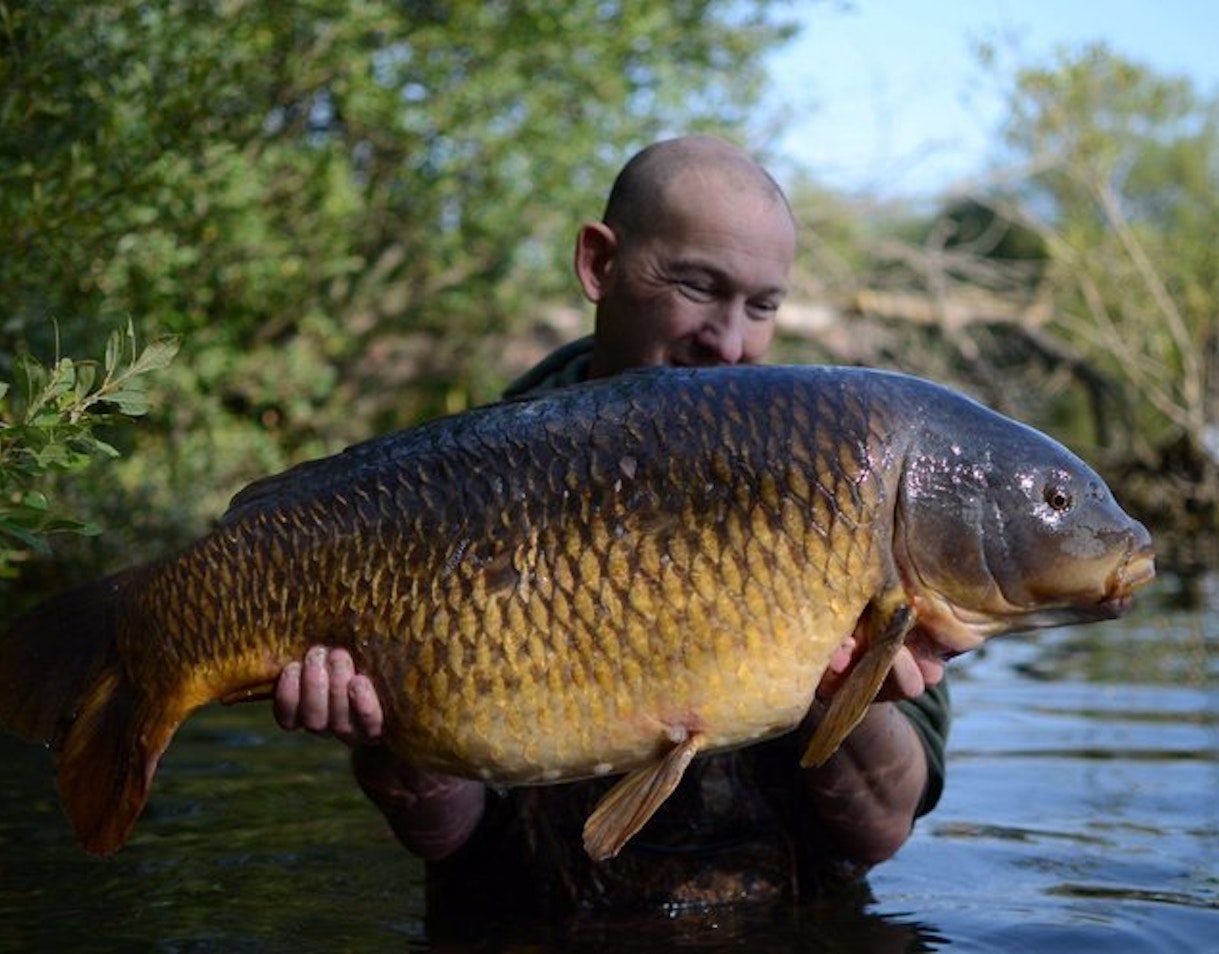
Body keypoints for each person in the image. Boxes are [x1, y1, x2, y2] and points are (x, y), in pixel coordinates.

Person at [273, 136, 952, 929]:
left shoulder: (839, 475)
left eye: (762, 305)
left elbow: (881, 832)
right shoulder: (453, 486)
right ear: (601, 266)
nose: (730, 342)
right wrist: (385, 741)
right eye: (698, 288)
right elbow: (446, 836)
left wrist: (850, 692)